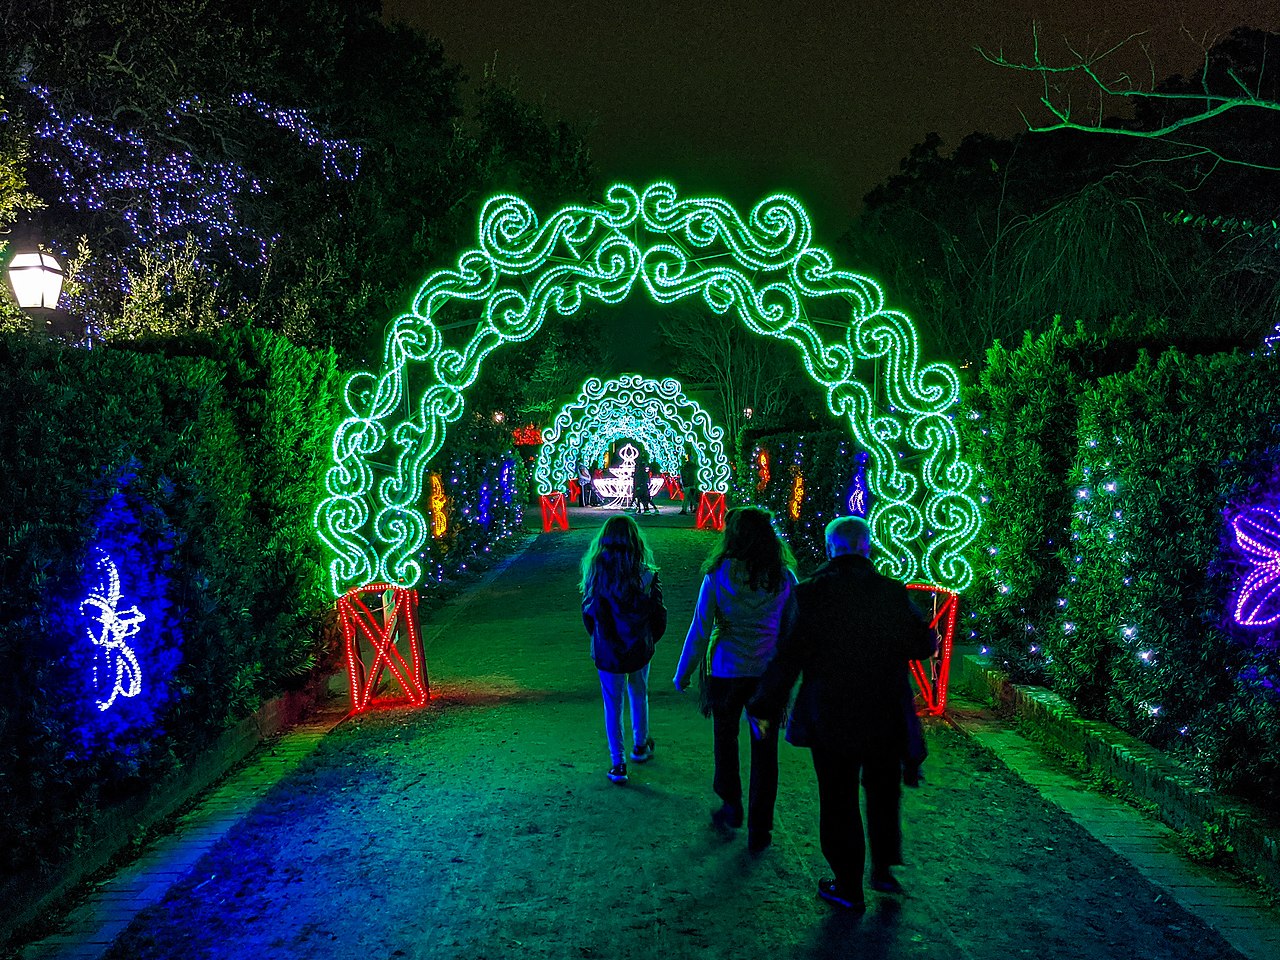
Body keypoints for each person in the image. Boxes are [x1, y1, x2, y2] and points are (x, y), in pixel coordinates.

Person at [748, 516, 935, 912]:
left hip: (830, 712)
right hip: (883, 710)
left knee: (838, 797)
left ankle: (848, 884)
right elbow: (920, 645)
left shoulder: (810, 594)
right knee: (883, 790)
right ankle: (883, 867)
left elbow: (789, 655)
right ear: (867, 548)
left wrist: (766, 705)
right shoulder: (890, 591)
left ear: (831, 549)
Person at [674, 506, 797, 853]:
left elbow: (700, 628)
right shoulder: (784, 577)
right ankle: (762, 827)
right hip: (766, 678)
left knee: (725, 740)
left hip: (727, 673)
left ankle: (731, 804)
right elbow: (794, 625)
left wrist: (683, 671)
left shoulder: (718, 574)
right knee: (764, 749)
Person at [581, 514, 667, 783]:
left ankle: (618, 763)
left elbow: (589, 613)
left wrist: (599, 637)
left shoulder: (596, 572)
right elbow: (659, 614)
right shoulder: (647, 575)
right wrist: (650, 638)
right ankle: (640, 745)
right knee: (639, 692)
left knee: (612, 703)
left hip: (608, 649)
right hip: (639, 645)